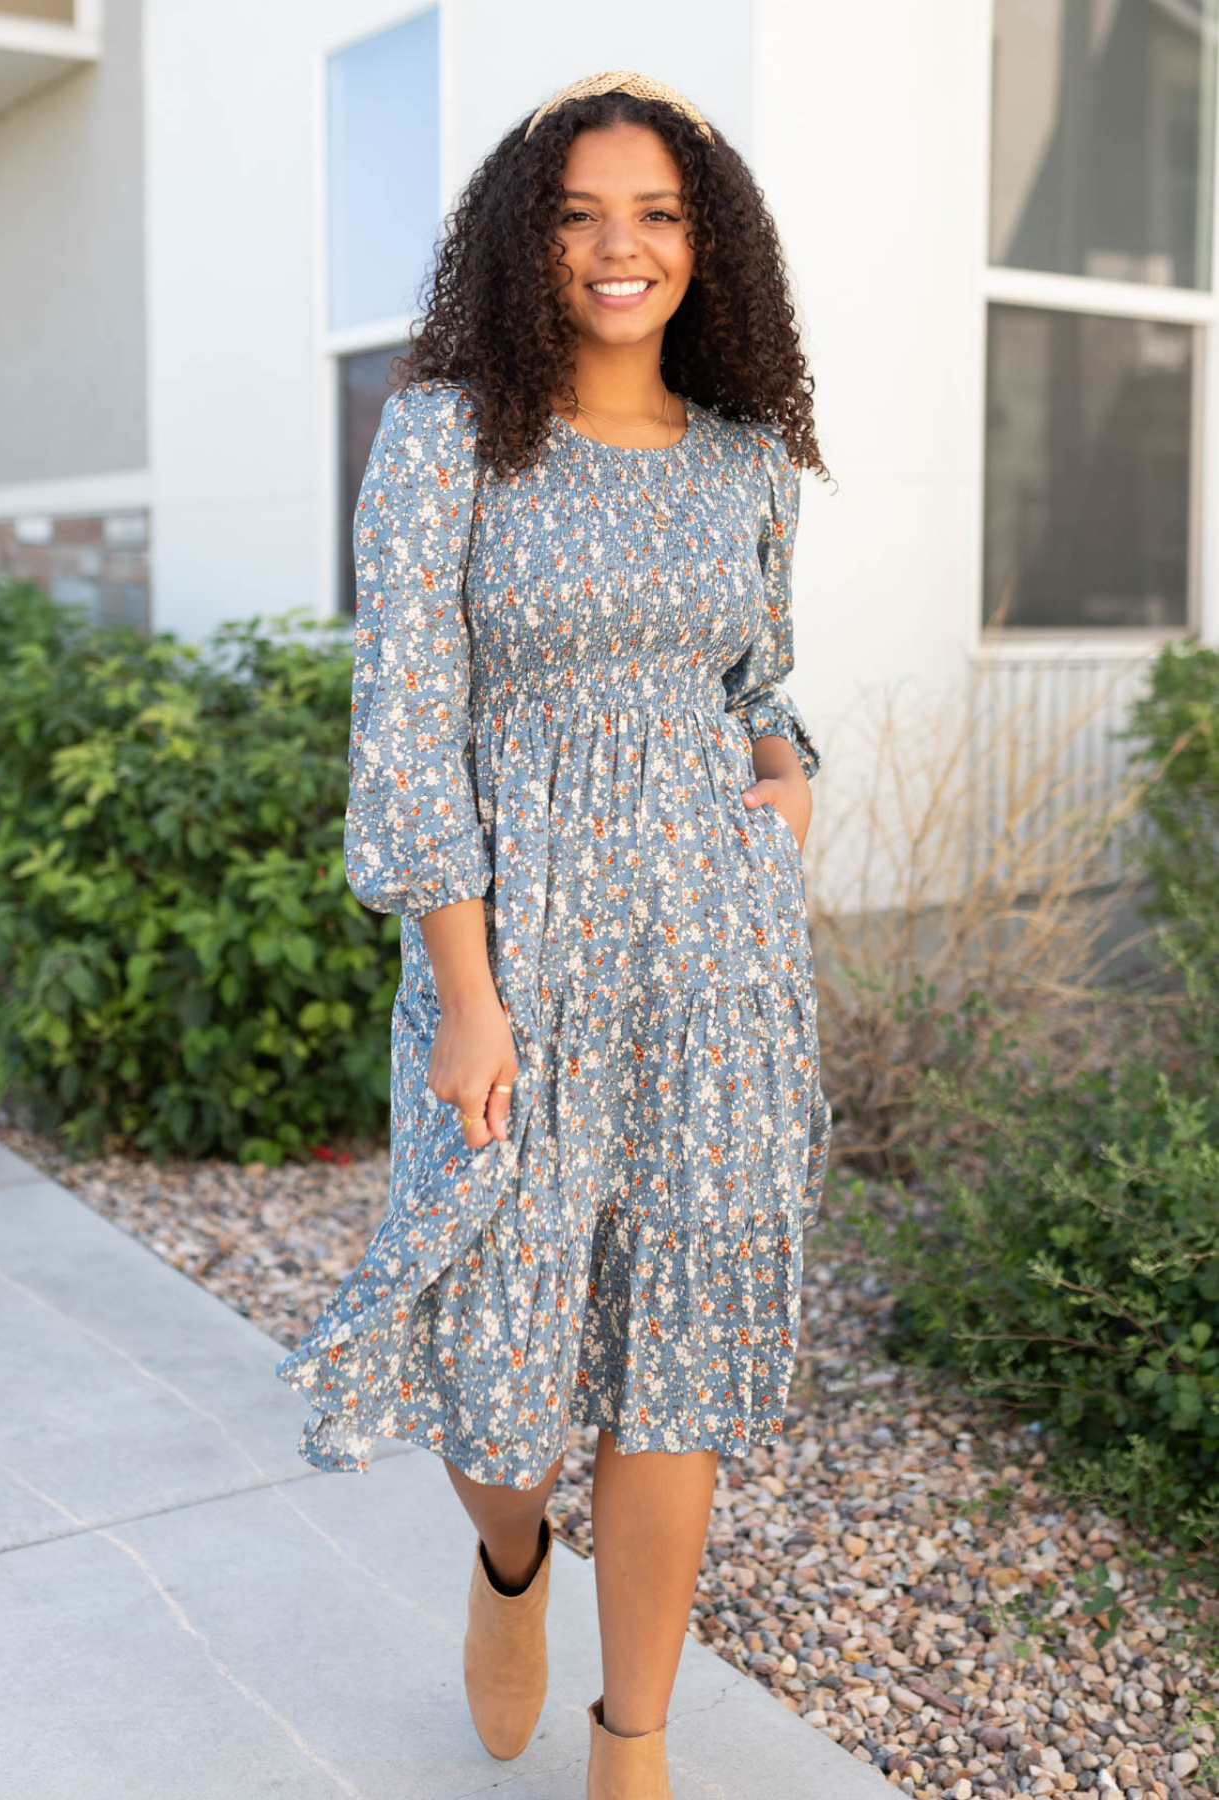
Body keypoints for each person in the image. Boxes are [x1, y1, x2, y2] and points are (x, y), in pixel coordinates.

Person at [275, 67, 833, 1799]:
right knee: (496, 1350)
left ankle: (634, 1738)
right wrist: (461, 989)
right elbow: (404, 719)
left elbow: (758, 677)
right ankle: (511, 1559)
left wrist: (782, 769)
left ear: (705, 245)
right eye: (582, 212)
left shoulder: (746, 455)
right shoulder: (446, 435)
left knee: (675, 1340)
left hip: (718, 956)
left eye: (657, 215)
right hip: (511, 957)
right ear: (527, 239)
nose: (619, 248)